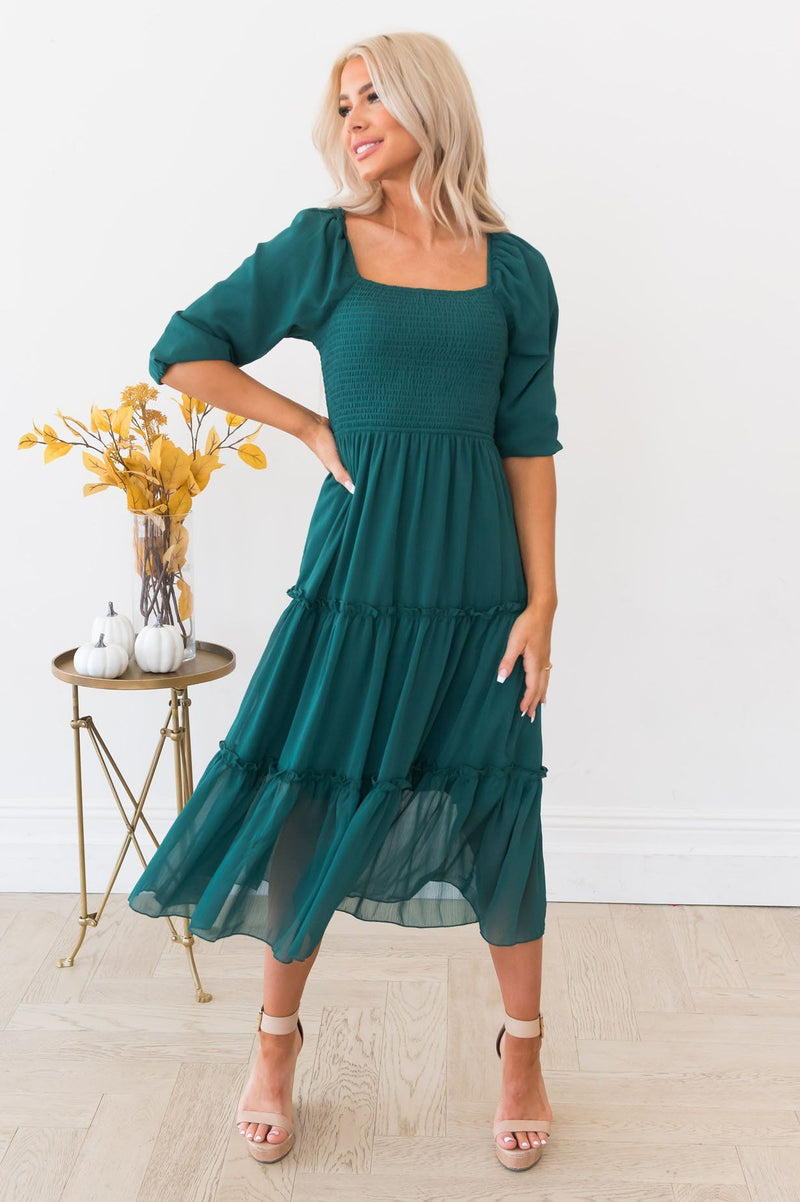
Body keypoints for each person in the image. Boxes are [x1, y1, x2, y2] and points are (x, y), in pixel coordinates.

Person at [128, 30, 562, 1173]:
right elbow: (184, 349)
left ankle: (521, 1049)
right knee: (310, 797)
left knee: (498, 801)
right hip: (356, 581)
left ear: (430, 103)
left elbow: (527, 443)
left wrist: (543, 600)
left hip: (477, 591)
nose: (353, 117)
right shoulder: (322, 246)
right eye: (342, 103)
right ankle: (275, 1041)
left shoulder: (513, 271)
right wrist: (307, 424)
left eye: (374, 96)